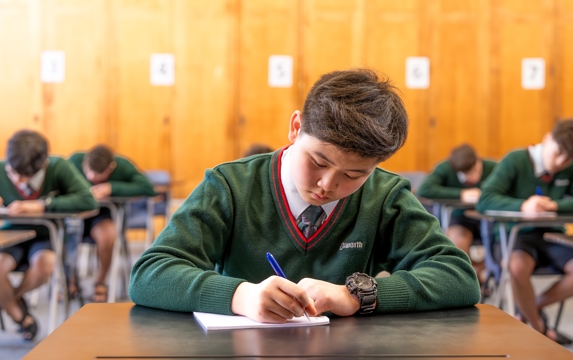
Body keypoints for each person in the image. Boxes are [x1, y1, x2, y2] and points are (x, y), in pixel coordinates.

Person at [129, 69, 480, 323]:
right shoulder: (230, 186)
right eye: (318, 161)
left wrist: (356, 295)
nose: (327, 185)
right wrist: (241, 295)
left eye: (353, 175)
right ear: (296, 128)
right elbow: (150, 274)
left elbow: (458, 277)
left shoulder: (385, 196)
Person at [477, 119, 573, 344]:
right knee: (516, 267)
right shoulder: (515, 160)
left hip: (551, 236)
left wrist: (555, 205)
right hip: (515, 236)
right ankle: (539, 328)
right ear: (547, 139)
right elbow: (485, 200)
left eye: (569, 158)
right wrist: (523, 206)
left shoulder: (570, 168)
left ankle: (529, 311)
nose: (561, 162)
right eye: (559, 153)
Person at [0, 130, 98, 340]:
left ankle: (3, 302)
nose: (16, 179)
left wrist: (43, 205)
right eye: (12, 172)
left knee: (46, 264)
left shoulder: (58, 167)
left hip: (46, 238)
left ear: (43, 164)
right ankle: (21, 316)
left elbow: (88, 200)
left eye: (23, 176)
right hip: (10, 236)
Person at [68, 145, 155, 302]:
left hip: (101, 216)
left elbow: (147, 187)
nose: (92, 177)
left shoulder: (121, 165)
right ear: (84, 163)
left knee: (108, 236)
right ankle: (70, 279)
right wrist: (86, 192)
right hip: (74, 216)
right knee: (60, 234)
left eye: (98, 176)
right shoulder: (75, 160)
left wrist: (111, 187)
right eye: (89, 173)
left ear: (111, 168)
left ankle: (100, 281)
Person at [417, 144, 496, 280]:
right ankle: (472, 277)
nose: (472, 177)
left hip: (491, 220)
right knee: (456, 242)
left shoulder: (493, 167)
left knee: (506, 247)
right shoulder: (445, 168)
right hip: (461, 219)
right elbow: (424, 190)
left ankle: (480, 271)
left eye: (475, 170)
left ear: (478, 158)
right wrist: (461, 194)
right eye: (466, 174)